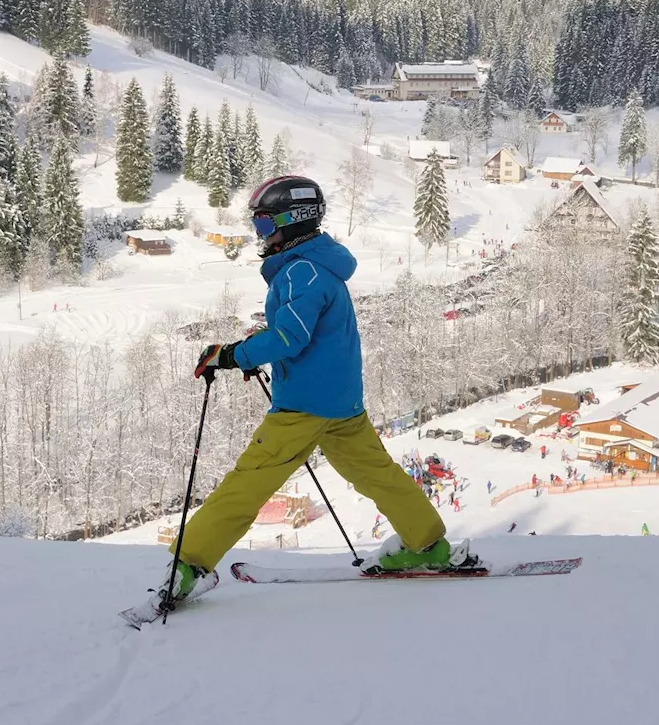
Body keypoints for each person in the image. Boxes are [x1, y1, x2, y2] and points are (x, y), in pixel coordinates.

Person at [153, 176, 473, 607]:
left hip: (303, 408)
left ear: (293, 221)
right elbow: (305, 332)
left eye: (264, 226)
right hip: (342, 401)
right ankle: (428, 544)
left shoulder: (299, 270)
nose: (258, 235)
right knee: (377, 475)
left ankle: (188, 565)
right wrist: (261, 351)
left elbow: (290, 338)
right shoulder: (318, 265)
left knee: (247, 484)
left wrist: (233, 355)